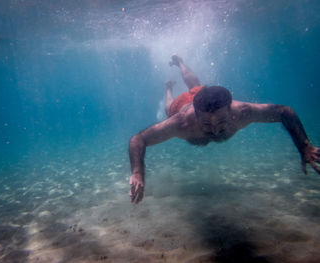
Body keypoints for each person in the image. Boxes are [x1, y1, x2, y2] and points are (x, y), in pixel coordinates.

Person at [129, 55, 320, 204]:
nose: (214, 130)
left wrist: (304, 146)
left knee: (196, 85)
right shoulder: (182, 122)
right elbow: (138, 139)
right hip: (183, 106)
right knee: (169, 108)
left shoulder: (243, 112)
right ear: (196, 115)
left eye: (221, 122)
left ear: (231, 110)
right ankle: (168, 89)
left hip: (202, 98)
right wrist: (138, 172)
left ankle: (180, 62)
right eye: (206, 124)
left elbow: (283, 112)